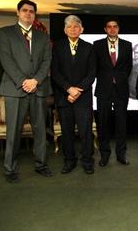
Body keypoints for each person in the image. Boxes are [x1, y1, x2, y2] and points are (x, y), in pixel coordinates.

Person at [0, 0, 53, 183]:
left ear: (35, 15)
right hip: (15, 89)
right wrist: (23, 82)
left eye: (32, 11)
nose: (28, 14)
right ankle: (10, 169)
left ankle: (41, 165)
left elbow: (46, 62)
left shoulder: (43, 37)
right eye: (25, 10)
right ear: (18, 13)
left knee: (40, 129)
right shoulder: (5, 33)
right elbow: (6, 61)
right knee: (13, 131)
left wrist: (36, 80)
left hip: (38, 88)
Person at [51, 15, 96, 174]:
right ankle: (69, 161)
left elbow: (91, 74)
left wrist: (77, 91)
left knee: (85, 132)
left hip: (83, 98)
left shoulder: (89, 48)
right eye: (69, 27)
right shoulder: (57, 46)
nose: (73, 29)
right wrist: (68, 89)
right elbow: (55, 73)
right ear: (65, 30)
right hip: (64, 97)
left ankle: (87, 161)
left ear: (81, 29)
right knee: (67, 132)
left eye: (76, 26)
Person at [93, 17, 133, 166]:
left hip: (121, 90)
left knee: (121, 124)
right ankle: (104, 155)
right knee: (103, 124)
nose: (112, 29)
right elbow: (94, 67)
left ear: (118, 28)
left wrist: (119, 79)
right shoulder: (97, 45)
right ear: (105, 29)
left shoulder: (127, 45)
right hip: (103, 89)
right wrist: (107, 79)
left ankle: (121, 155)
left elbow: (128, 67)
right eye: (109, 27)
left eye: (115, 26)